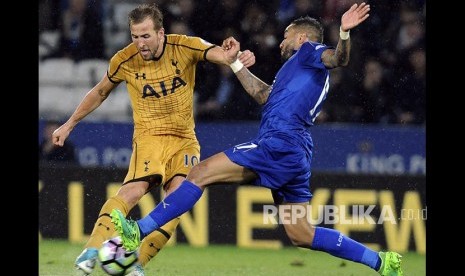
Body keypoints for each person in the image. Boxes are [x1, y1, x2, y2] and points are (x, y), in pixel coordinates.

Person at [112, 3, 404, 276]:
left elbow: (338, 58)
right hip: (297, 151)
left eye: (286, 36)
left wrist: (343, 32)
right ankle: (382, 262)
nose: (280, 42)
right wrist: (236, 64)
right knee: (301, 233)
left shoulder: (309, 52)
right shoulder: (297, 71)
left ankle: (139, 229)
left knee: (199, 172)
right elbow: (263, 95)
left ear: (302, 38)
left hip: (280, 142)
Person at [51, 3, 255, 275]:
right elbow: (100, 92)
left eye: (146, 36)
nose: (140, 43)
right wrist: (69, 124)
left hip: (184, 140)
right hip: (149, 136)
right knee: (132, 192)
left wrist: (234, 57)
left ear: (161, 33)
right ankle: (90, 251)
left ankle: (136, 266)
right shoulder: (124, 59)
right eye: (135, 36)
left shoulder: (184, 46)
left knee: (176, 202)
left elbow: (218, 54)